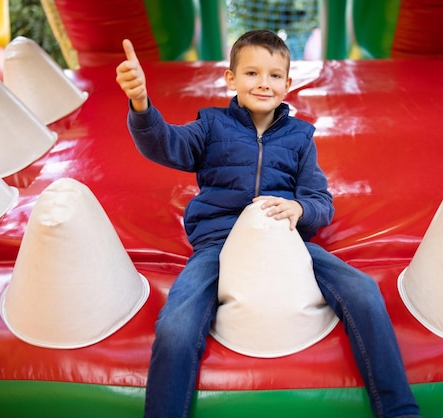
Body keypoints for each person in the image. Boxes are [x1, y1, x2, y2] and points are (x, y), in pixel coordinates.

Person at [116, 29, 421, 418]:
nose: (264, 83)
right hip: (219, 244)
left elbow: (320, 201)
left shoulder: (299, 137)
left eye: (275, 75)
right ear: (231, 79)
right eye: (252, 73)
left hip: (286, 241)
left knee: (362, 290)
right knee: (176, 324)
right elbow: (164, 144)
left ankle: (398, 410)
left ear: (288, 84)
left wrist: (299, 209)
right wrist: (140, 103)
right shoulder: (211, 127)